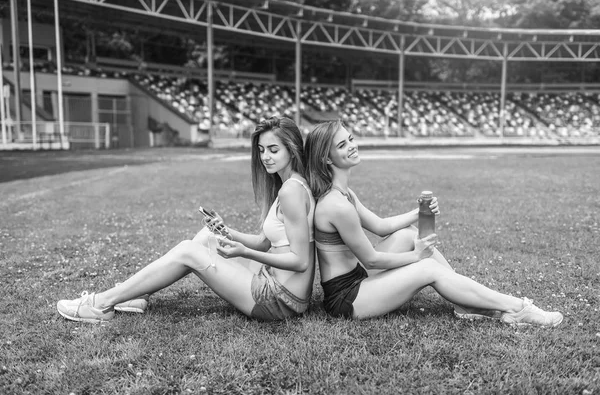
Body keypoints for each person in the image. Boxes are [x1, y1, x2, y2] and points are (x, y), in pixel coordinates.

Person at [303, 120, 563, 327]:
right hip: (346, 299)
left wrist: (419, 212)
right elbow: (371, 260)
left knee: (406, 235)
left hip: (355, 279)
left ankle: (466, 304)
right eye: (341, 145)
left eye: (351, 139)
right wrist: (416, 256)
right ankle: (517, 308)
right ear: (326, 159)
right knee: (427, 267)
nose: (351, 145)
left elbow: (381, 226)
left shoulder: (344, 194)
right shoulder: (336, 205)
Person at [57, 116, 316, 323]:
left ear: (292, 150)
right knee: (206, 236)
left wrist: (244, 252)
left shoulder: (291, 191)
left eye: (273, 150)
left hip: (279, 301)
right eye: (261, 150)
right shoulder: (291, 185)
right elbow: (263, 242)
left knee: (187, 252)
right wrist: (227, 232)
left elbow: (300, 261)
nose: (265, 157)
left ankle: (101, 304)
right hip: (275, 282)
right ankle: (136, 294)